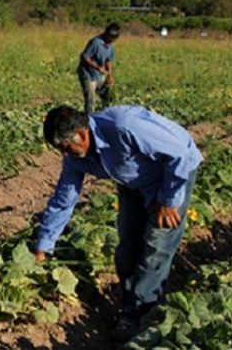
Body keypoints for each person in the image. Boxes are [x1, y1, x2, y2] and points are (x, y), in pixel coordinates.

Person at [34, 105, 202, 343]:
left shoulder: (124, 127)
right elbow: (64, 199)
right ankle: (130, 303)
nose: (64, 154)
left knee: (155, 249)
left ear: (82, 134)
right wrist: (43, 246)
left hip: (171, 176)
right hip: (132, 183)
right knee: (126, 251)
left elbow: (178, 155)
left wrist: (168, 201)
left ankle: (137, 318)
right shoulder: (75, 158)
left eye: (64, 146)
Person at [78, 23, 119, 114]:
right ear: (106, 35)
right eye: (110, 39)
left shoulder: (111, 45)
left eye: (113, 40)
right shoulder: (95, 42)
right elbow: (85, 56)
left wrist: (110, 76)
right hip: (88, 74)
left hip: (100, 75)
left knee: (107, 97)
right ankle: (89, 121)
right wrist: (97, 67)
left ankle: (103, 115)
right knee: (90, 101)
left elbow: (109, 60)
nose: (111, 42)